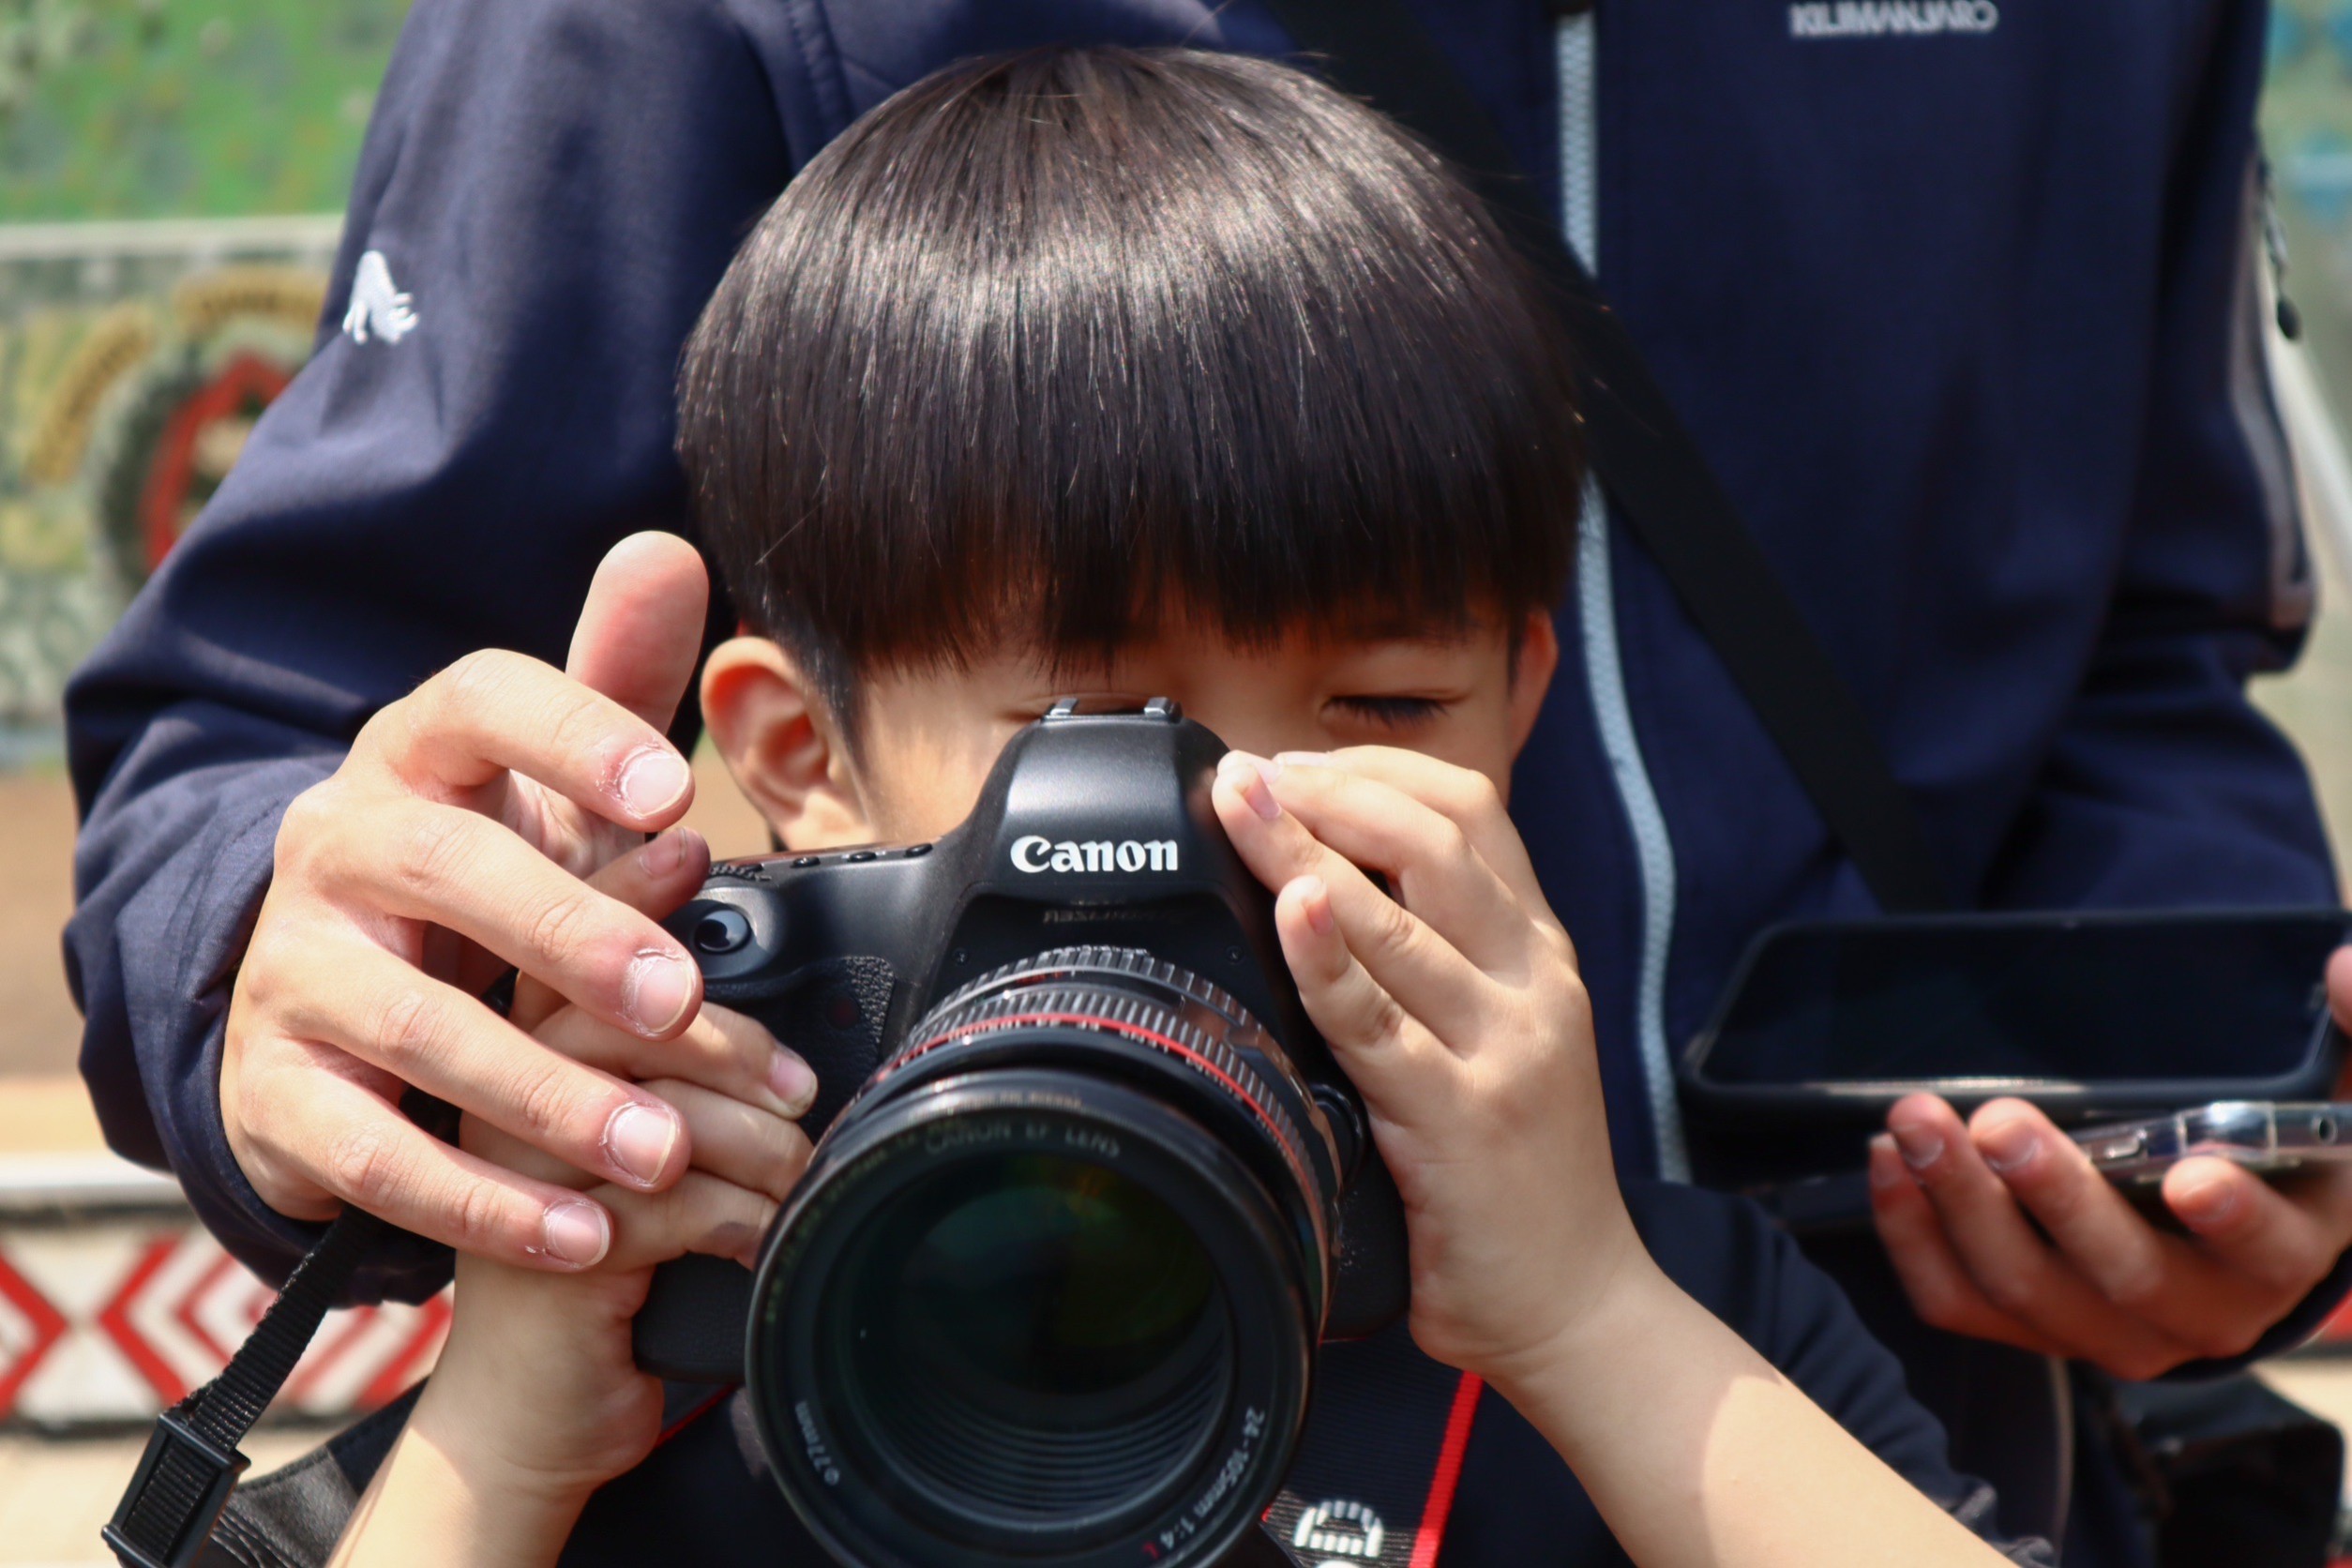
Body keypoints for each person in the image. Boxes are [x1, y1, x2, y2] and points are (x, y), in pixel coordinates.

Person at [62, 0, 2352, 1559]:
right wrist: (498, 1349)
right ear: (777, 763)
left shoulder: (1633, 1300)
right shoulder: (716, 1315)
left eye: (1377, 714)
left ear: (1511, 698)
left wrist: (1587, 1300)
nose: (1228, 832)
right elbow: (294, 726)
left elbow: (2154, 642)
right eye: (1105, 733)